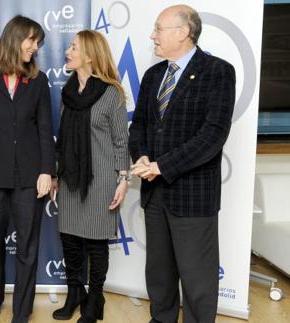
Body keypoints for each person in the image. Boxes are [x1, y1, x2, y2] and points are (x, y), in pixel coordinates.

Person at [128, 5, 235, 323]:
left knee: (197, 279)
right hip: (154, 193)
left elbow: (212, 136)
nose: (152, 36)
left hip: (192, 196)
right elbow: (140, 127)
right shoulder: (152, 76)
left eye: (158, 29)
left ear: (183, 32)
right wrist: (142, 156)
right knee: (159, 274)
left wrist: (162, 165)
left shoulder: (218, 71)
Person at [0, 15, 55, 323]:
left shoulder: (39, 80)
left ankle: (22, 310)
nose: (35, 47)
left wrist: (48, 170)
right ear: (14, 38)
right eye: (31, 40)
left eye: (38, 42)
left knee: (27, 248)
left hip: (30, 177)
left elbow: (45, 128)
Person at [50, 30, 130, 323]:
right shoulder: (68, 92)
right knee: (70, 239)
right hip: (71, 177)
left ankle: (95, 298)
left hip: (102, 180)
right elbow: (63, 138)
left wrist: (124, 179)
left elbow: (122, 140)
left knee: (96, 242)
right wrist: (57, 174)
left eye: (73, 48)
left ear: (90, 56)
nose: (67, 52)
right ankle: (75, 293)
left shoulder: (111, 93)